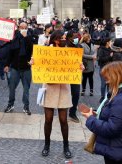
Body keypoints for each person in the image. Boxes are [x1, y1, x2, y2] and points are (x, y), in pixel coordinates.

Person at [82, 61, 122, 164]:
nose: (106, 82)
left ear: (117, 76)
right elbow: (114, 115)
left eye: (107, 78)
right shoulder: (121, 93)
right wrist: (96, 114)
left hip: (118, 150)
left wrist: (91, 119)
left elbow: (111, 128)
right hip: (117, 148)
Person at [36, 31, 73, 159]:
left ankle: (66, 146)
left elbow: (75, 67)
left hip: (63, 88)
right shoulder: (46, 51)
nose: (64, 40)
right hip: (50, 88)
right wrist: (33, 63)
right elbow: (38, 64)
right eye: (62, 38)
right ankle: (46, 145)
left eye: (64, 38)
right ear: (56, 40)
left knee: (63, 120)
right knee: (48, 119)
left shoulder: (69, 51)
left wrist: (80, 67)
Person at [4, 22, 33, 115]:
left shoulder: (30, 37)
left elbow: (31, 49)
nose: (23, 29)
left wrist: (26, 38)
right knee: (12, 88)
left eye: (25, 27)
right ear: (18, 28)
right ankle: (10, 104)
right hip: (15, 67)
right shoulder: (14, 38)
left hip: (26, 68)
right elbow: (10, 52)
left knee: (26, 89)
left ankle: (26, 107)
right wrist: (7, 64)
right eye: (22, 27)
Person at [66, 30, 82, 123]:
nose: (76, 39)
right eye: (74, 37)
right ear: (69, 38)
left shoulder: (78, 46)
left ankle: (72, 113)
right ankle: (62, 111)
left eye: (77, 37)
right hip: (65, 74)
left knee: (76, 94)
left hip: (75, 74)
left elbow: (81, 59)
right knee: (64, 94)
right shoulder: (64, 47)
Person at [80, 32, 95, 96]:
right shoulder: (82, 45)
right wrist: (91, 57)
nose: (90, 38)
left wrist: (94, 55)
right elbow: (82, 55)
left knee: (91, 78)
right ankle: (83, 90)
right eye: (89, 37)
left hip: (91, 64)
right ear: (86, 38)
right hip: (86, 63)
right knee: (85, 78)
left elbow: (94, 52)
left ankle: (91, 91)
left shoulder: (92, 44)